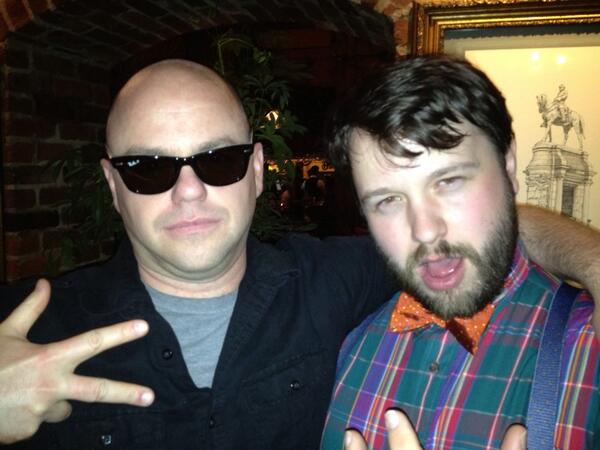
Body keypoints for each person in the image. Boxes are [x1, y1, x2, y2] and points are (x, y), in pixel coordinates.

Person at [0, 59, 598, 449]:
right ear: (112, 186)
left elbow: (473, 231)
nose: (189, 191)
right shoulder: (27, 328)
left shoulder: (337, 282)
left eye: (218, 160)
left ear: (258, 170)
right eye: (148, 168)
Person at [321, 56, 599, 450]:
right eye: (388, 201)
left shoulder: (590, 349)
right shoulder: (349, 346)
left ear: (508, 164)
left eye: (449, 181)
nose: (424, 230)